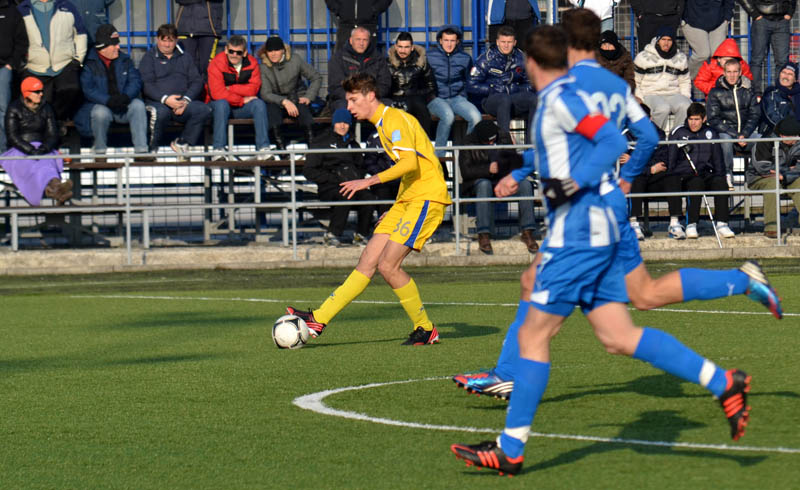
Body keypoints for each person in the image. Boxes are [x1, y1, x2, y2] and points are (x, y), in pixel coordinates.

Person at [451, 25, 754, 477]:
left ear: (532, 61)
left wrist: (571, 184)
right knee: (618, 336)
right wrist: (518, 168)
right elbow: (565, 152)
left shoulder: (561, 97)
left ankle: (510, 448)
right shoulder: (563, 96)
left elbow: (610, 142)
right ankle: (723, 381)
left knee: (535, 334)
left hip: (578, 236)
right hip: (590, 230)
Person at [286, 72, 451, 345]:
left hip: (426, 199)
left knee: (388, 265)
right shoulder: (384, 124)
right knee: (368, 260)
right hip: (408, 200)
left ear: (370, 96)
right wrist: (398, 204)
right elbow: (413, 169)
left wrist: (369, 181)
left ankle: (425, 328)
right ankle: (318, 319)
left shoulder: (394, 120)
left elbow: (409, 163)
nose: (349, 107)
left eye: (353, 100)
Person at [73, 24, 153, 163]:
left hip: (123, 104)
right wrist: (108, 100)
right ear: (103, 47)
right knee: (100, 113)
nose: (118, 47)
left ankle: (141, 151)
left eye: (118, 43)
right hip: (101, 105)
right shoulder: (89, 63)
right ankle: (100, 153)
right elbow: (88, 89)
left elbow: (135, 81)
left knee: (138, 105)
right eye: (114, 44)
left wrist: (126, 96)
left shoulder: (125, 59)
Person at [458, 120, 538, 255]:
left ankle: (527, 232)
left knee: (525, 184)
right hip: (479, 183)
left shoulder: (504, 137)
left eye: (493, 140)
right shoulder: (467, 143)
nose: (491, 143)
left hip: (502, 181)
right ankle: (484, 234)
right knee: (484, 185)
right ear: (480, 138)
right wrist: (487, 169)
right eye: (487, 141)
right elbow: (466, 172)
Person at [303, 108, 376, 246]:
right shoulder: (321, 142)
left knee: (369, 197)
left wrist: (355, 178)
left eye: (346, 123)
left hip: (352, 185)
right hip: (329, 187)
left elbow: (361, 166)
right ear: (334, 123)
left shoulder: (353, 143)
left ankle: (361, 234)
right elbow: (309, 170)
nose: (342, 126)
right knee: (345, 195)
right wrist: (334, 178)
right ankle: (333, 234)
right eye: (339, 122)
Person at [139, 24, 212, 158]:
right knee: (161, 113)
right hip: (158, 103)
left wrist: (185, 100)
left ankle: (182, 143)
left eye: (171, 41)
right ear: (157, 39)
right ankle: (152, 149)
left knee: (204, 109)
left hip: (181, 104)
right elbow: (146, 84)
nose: (167, 45)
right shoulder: (149, 57)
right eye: (164, 40)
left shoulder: (185, 57)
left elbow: (197, 81)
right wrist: (166, 99)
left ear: (176, 40)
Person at [1, 76, 72, 205]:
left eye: (41, 91)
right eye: (37, 92)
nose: (41, 94)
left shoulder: (46, 108)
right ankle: (57, 191)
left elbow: (52, 134)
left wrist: (45, 148)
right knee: (35, 164)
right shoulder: (14, 108)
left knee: (47, 163)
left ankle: (56, 189)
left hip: (42, 146)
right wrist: (30, 150)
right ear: (27, 93)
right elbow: (12, 136)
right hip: (20, 149)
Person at [668, 102, 735, 238]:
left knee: (720, 183)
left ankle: (722, 223)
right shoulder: (679, 132)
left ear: (704, 119)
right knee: (696, 183)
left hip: (705, 172)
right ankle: (691, 224)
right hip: (686, 175)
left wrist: (720, 175)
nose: (693, 123)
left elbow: (717, 159)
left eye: (697, 119)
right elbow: (671, 160)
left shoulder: (710, 133)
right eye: (691, 119)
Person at [18, 0, 88, 124]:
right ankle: (49, 126)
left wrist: (78, 59)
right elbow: (14, 37)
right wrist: (22, 64)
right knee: (40, 101)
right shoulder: (22, 9)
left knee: (72, 89)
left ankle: (55, 122)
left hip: (64, 64)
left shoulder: (67, 6)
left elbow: (81, 33)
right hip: (35, 66)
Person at [468, 25, 537, 142]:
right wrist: (492, 88)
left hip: (514, 96)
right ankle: (504, 145)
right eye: (503, 42)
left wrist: (515, 88)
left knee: (534, 99)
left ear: (514, 43)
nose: (506, 45)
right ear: (497, 42)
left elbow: (531, 84)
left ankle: (531, 145)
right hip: (491, 99)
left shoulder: (521, 58)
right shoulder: (486, 59)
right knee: (504, 100)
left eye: (509, 42)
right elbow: (471, 85)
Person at [208, 35, 270, 161]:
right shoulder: (216, 63)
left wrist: (230, 88)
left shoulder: (252, 63)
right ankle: (218, 150)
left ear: (245, 52)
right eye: (231, 51)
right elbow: (217, 93)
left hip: (239, 108)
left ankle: (263, 148)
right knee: (221, 104)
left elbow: (253, 89)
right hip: (218, 108)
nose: (234, 55)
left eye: (238, 52)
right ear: (226, 50)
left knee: (259, 104)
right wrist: (241, 99)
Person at [426, 25, 482, 158]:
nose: (449, 44)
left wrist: (463, 96)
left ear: (457, 41)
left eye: (452, 40)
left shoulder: (465, 58)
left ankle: (467, 154)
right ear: (440, 41)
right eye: (446, 40)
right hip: (436, 98)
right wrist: (430, 96)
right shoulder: (429, 56)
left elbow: (469, 80)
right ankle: (439, 155)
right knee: (448, 116)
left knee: (476, 118)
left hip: (457, 98)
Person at [258, 35, 322, 150]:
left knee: (305, 116)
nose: (273, 54)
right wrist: (284, 101)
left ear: (283, 50)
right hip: (276, 101)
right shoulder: (263, 67)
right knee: (272, 115)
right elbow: (265, 93)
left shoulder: (295, 60)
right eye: (270, 51)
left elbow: (316, 77)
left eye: (277, 50)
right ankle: (282, 153)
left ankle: (313, 152)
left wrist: (309, 96)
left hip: (297, 97)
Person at [706, 58, 760, 186]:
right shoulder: (715, 92)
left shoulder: (749, 90)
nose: (732, 75)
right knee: (725, 140)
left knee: (761, 140)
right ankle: (727, 174)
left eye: (735, 72)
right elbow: (713, 119)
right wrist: (736, 135)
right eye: (729, 72)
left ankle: (754, 173)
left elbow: (755, 115)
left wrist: (744, 134)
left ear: (740, 72)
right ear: (724, 73)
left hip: (745, 135)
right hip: (727, 134)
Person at [747, 115, 800, 238]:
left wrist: (784, 175)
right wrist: (787, 170)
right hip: (758, 177)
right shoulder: (765, 142)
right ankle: (772, 228)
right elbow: (762, 167)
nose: (796, 140)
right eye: (793, 137)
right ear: (782, 135)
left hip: (786, 177)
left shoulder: (797, 142)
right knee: (772, 184)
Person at [627, 105, 674, 240]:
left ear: (650, 119)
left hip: (653, 178)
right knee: (635, 178)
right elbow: (626, 164)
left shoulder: (659, 134)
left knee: (672, 177)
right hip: (637, 178)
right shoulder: (626, 135)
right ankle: (634, 223)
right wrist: (650, 169)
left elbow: (662, 160)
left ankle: (675, 223)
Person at [633, 26, 692, 132]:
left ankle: (677, 135)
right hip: (650, 93)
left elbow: (684, 80)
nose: (666, 43)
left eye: (669, 40)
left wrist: (685, 96)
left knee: (686, 106)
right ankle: (655, 135)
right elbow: (636, 80)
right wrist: (640, 99)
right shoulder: (643, 57)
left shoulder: (680, 58)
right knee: (663, 108)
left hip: (672, 93)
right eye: (663, 39)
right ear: (657, 40)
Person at [735, 0, 795, 97]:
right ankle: (755, 94)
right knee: (757, 60)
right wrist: (754, 13)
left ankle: (780, 94)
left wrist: (790, 12)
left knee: (782, 61)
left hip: (782, 19)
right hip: (761, 18)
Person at [327, 26, 392, 111]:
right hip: (346, 99)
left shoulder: (378, 58)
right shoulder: (338, 58)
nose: (361, 43)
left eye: (365, 40)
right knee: (341, 109)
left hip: (372, 98)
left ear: (369, 41)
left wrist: (369, 96)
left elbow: (384, 84)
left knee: (389, 107)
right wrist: (353, 97)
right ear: (351, 40)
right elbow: (335, 86)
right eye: (358, 39)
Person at [387, 32, 436, 138]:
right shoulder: (388, 63)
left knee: (419, 108)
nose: (403, 50)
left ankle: (423, 143)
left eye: (406, 47)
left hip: (416, 99)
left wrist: (415, 93)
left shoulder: (421, 62)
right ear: (396, 47)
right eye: (400, 47)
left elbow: (431, 87)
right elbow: (384, 86)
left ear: (412, 48)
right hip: (394, 100)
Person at [0, 0, 28, 152]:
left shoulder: (11, 11)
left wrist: (11, 64)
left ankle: (2, 151)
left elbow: (22, 41)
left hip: (3, 68)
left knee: (2, 109)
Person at [681, 0, 734, 81]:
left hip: (718, 21)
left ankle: (716, 84)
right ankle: (686, 80)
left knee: (718, 56)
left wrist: (727, 18)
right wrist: (684, 18)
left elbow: (729, 2)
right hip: (693, 22)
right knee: (702, 54)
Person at [174, 0, 224, 79]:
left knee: (208, 68)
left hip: (210, 29)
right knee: (187, 68)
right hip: (185, 29)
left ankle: (205, 86)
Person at [324, 0, 393, 53]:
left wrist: (374, 10)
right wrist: (339, 10)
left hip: (368, 25)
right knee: (342, 59)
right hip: (346, 26)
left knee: (369, 60)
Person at [361, 130, 399, 214]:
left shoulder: (406, 134)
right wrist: (384, 175)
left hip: (402, 179)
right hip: (382, 181)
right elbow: (369, 162)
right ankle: (383, 221)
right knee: (383, 196)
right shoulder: (376, 138)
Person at [760, 61, 800, 135]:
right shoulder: (771, 93)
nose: (786, 76)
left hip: (796, 133)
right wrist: (788, 131)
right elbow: (772, 115)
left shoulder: (798, 95)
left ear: (795, 79)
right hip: (773, 132)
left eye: (790, 74)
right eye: (784, 73)